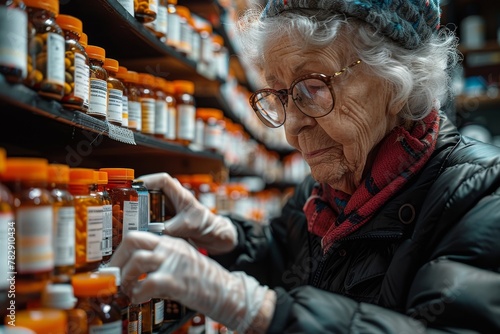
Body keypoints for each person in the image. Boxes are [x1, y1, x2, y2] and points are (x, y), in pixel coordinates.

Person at [109, 0, 500, 332]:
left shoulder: (481, 198)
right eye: (280, 95)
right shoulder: (327, 191)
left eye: (312, 88)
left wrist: (261, 310)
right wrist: (226, 235)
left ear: (396, 80)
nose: (293, 127)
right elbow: (290, 257)